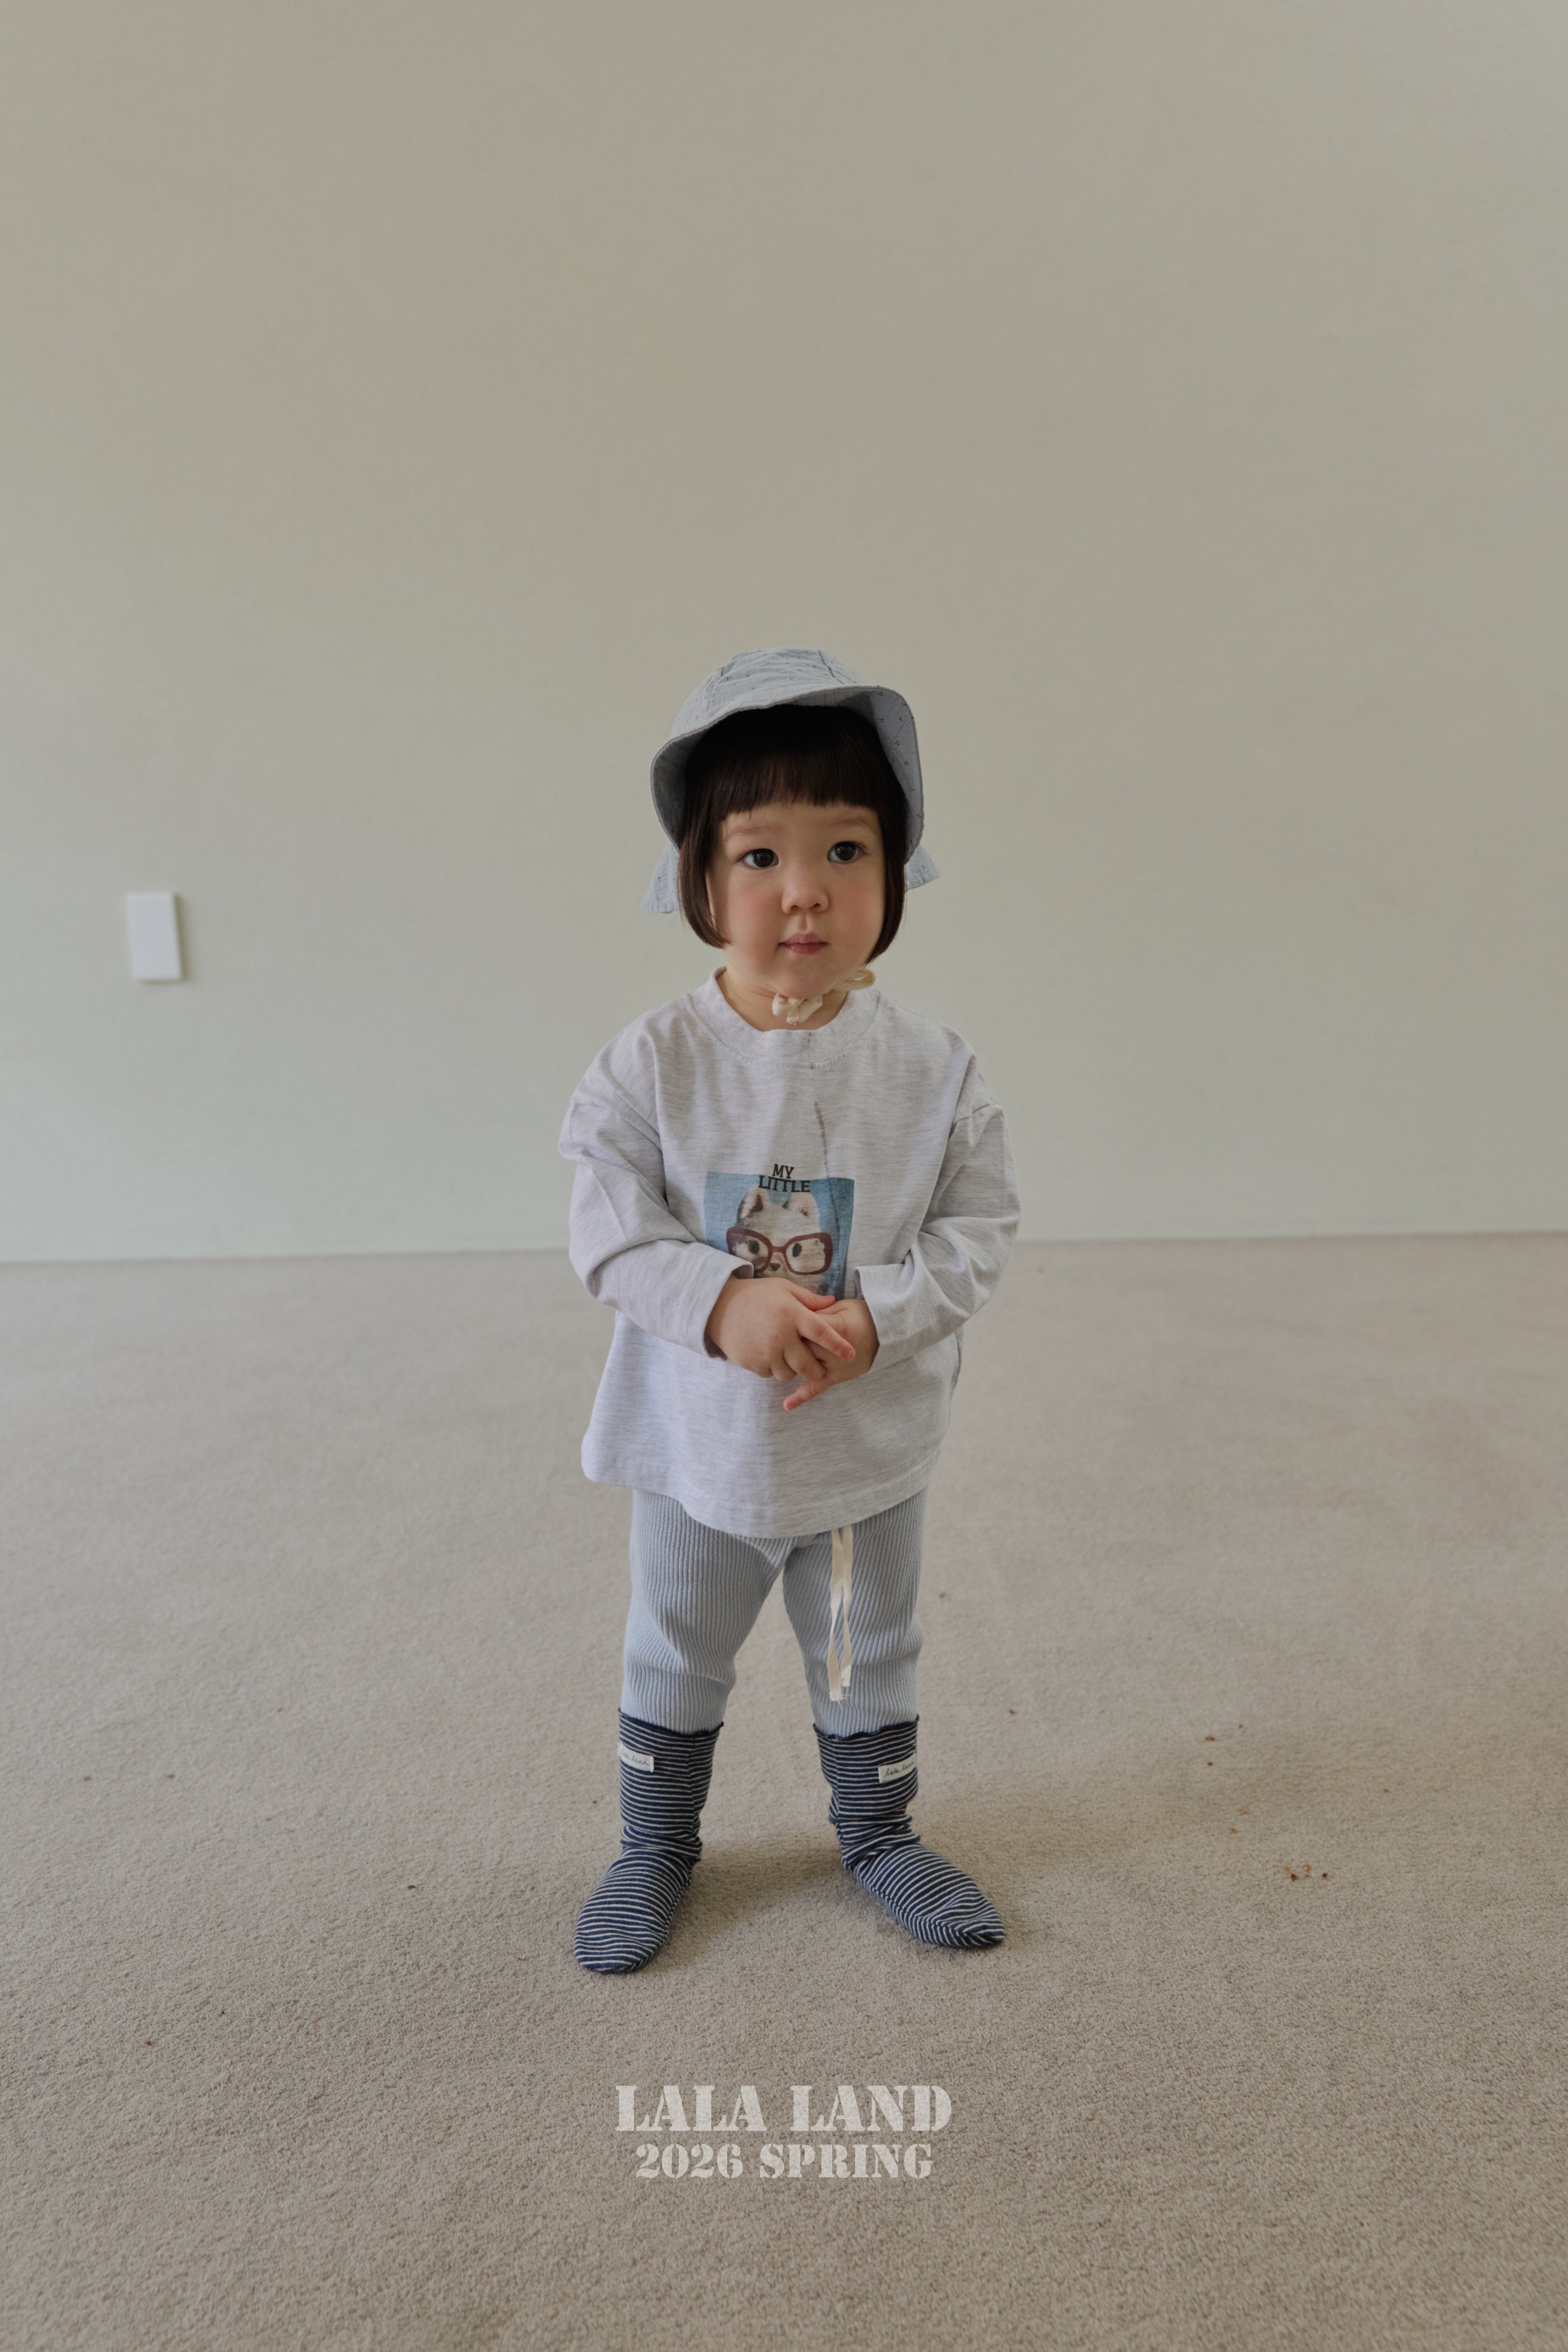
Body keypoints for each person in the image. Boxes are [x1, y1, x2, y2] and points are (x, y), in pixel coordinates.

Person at [559, 648, 1020, 1974]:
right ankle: (657, 1844)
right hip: (701, 1449)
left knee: (867, 1650)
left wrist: (883, 1314)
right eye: (759, 856)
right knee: (677, 1648)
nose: (804, 889)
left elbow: (979, 1228)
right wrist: (721, 1305)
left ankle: (878, 1834)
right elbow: (609, 1229)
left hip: (863, 1451)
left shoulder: (934, 1071)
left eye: (845, 851)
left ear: (897, 873)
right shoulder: (650, 1065)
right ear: (699, 881)